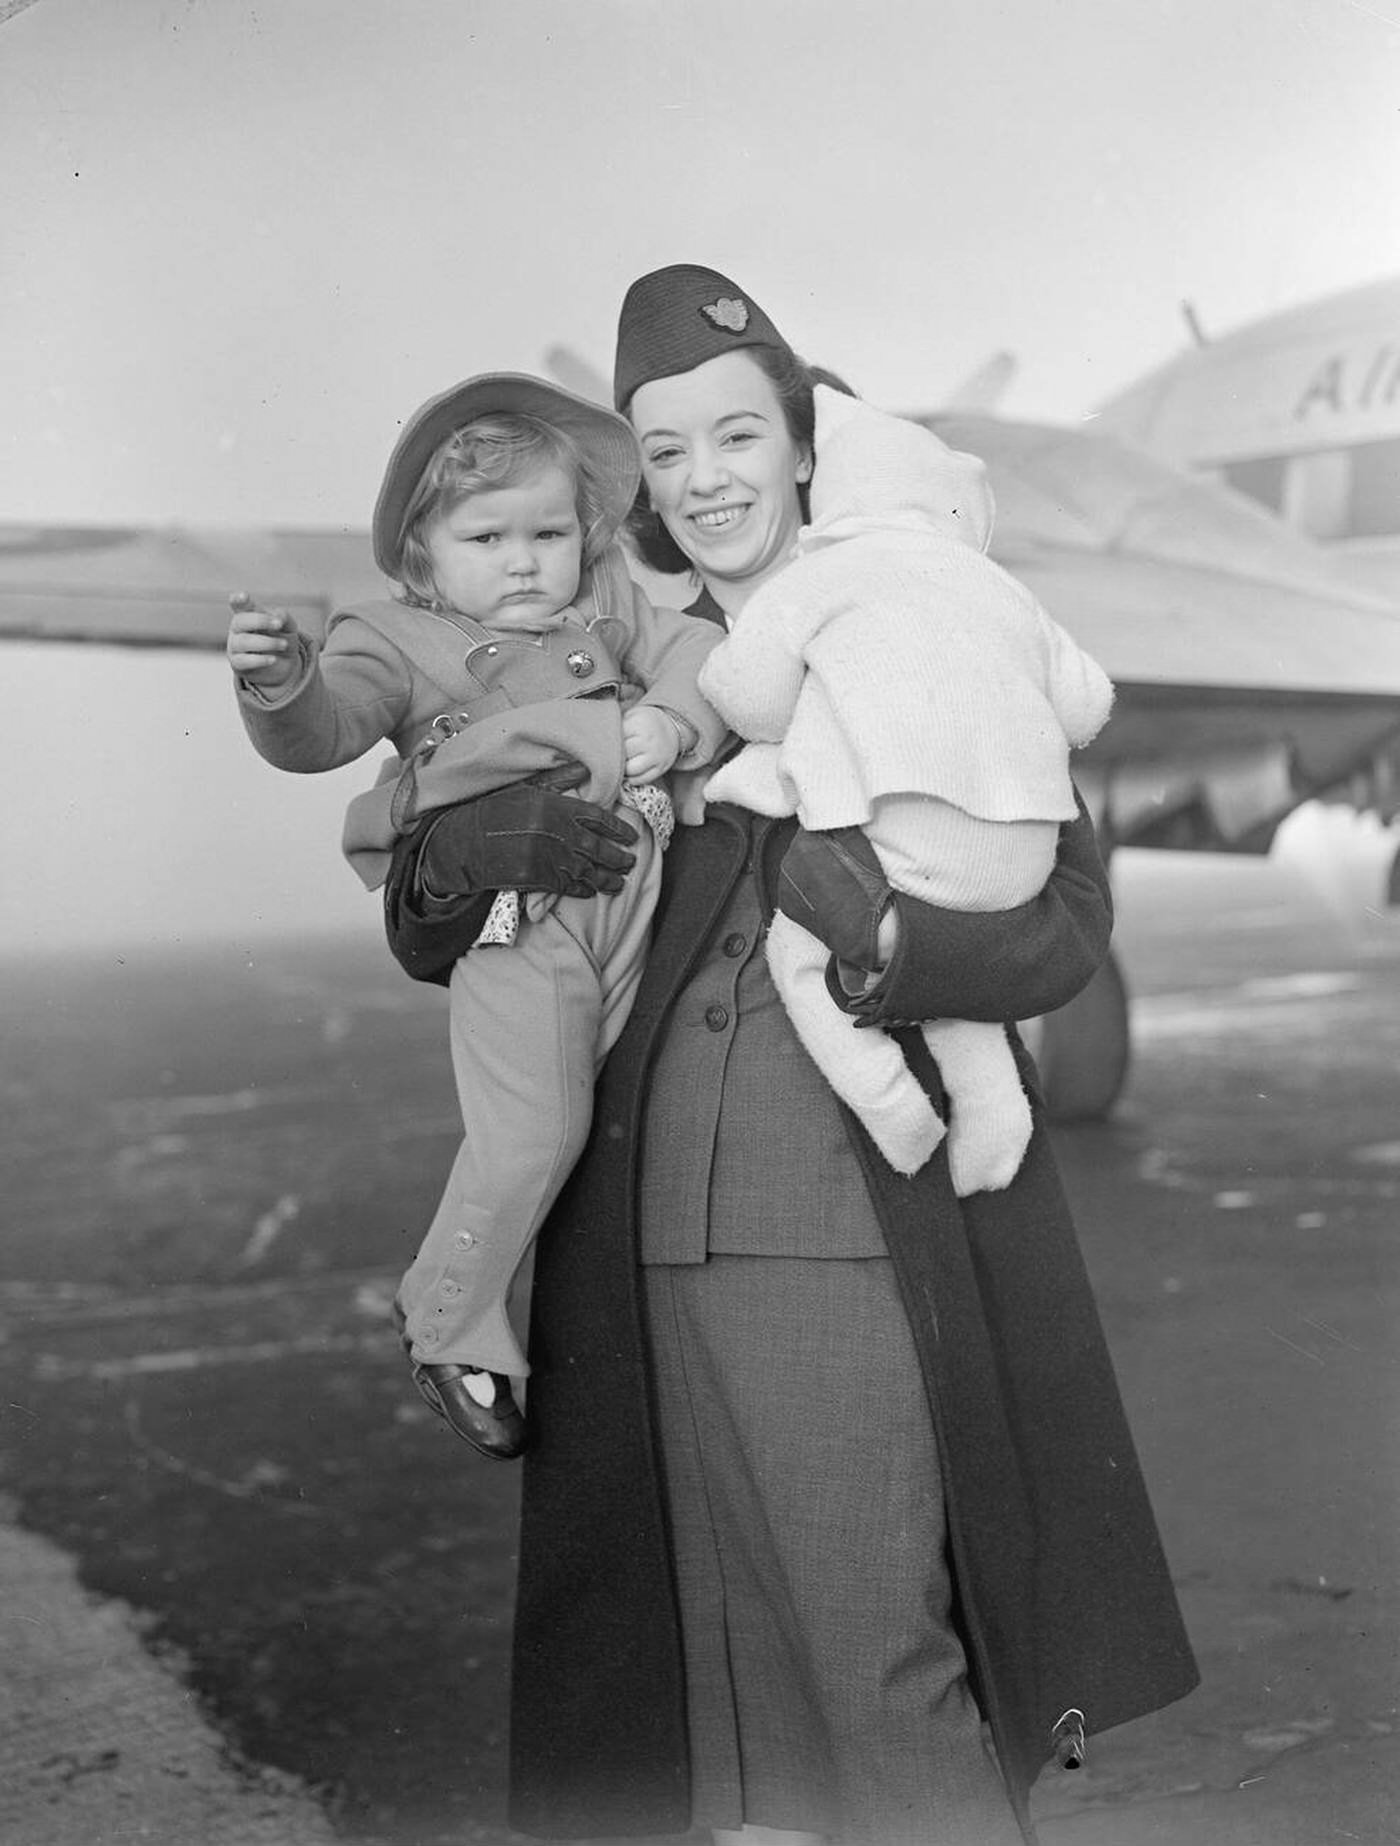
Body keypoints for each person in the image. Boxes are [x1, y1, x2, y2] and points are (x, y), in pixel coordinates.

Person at [380, 267, 1198, 1846]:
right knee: (723, 1704)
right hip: (630, 1241)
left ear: (806, 447)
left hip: (834, 1222)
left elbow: (1064, 919)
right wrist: (492, 838)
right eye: (665, 453)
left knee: (873, 1657)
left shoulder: (922, 612)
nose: (705, 481)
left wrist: (889, 943)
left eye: (737, 437)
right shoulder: (601, 653)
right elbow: (426, 914)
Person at [228, 372, 725, 1459]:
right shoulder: (392, 636)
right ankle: (448, 1320)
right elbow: (324, 731)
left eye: (548, 531)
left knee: (616, 1130)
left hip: (634, 903)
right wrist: (281, 683)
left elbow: (692, 652)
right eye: (486, 536)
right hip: (521, 921)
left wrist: (678, 725)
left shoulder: (608, 601)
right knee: (533, 1132)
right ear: (421, 552)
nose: (523, 560)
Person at [697, 383, 1114, 1190]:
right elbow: (1087, 702)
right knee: (956, 989)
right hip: (1019, 870)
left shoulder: (820, 577)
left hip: (904, 857)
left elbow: (748, 698)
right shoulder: (1005, 590)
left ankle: (890, 1105)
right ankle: (996, 1113)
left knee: (800, 951)